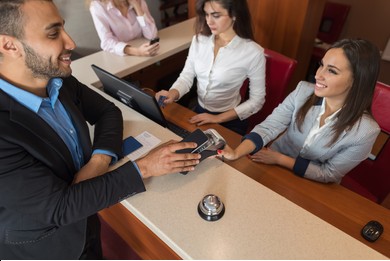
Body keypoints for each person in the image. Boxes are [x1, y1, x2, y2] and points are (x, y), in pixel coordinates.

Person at [0, 0, 200, 260]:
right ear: (9, 45)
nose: (70, 42)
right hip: (47, 249)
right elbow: (59, 207)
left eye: (63, 28)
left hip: (89, 224)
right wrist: (147, 167)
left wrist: (98, 161)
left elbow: (108, 112)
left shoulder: (59, 79)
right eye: (53, 33)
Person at [218, 38, 381, 183]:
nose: (318, 75)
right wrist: (236, 153)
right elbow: (270, 126)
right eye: (321, 65)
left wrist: (280, 159)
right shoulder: (303, 91)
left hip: (312, 183)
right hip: (271, 165)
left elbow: (329, 173)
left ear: (357, 80)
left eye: (332, 71)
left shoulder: (366, 131)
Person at [156, 0, 266, 135]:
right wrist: (172, 93)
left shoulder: (253, 53)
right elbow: (187, 76)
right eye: (206, 14)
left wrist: (217, 118)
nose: (209, 21)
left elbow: (257, 100)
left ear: (234, 14)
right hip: (200, 112)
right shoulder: (199, 40)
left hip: (230, 120)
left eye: (216, 15)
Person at [88, 0, 159, 56]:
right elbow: (107, 42)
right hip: (120, 58)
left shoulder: (138, 1)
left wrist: (136, 6)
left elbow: (151, 35)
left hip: (145, 53)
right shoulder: (97, 6)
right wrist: (137, 51)